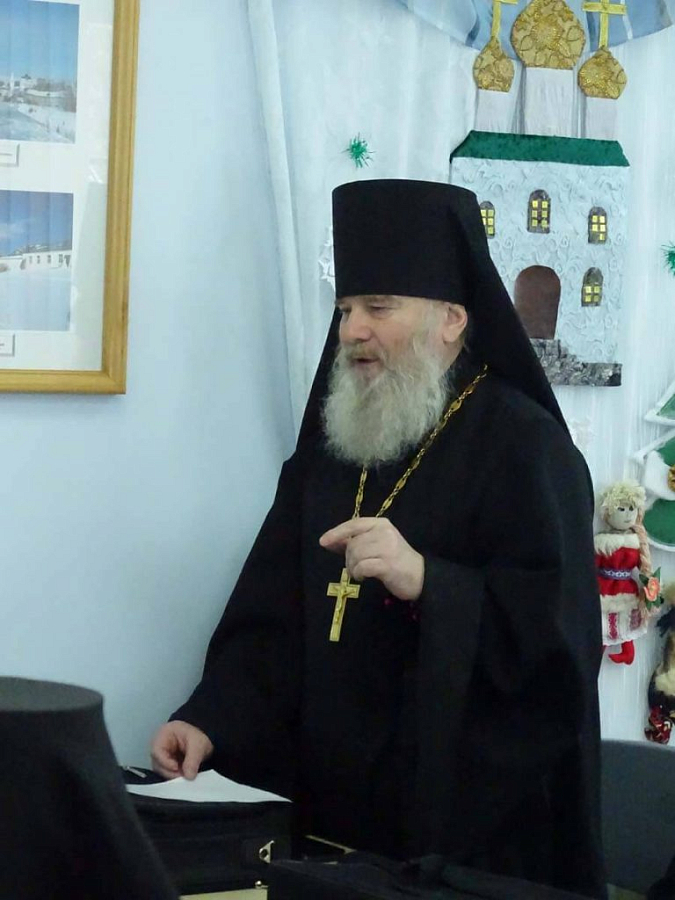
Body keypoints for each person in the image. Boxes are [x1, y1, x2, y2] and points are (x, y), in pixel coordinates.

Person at [151, 180, 606, 898]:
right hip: (323, 824)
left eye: (377, 307)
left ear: (452, 319)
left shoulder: (527, 449)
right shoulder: (335, 445)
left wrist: (430, 582)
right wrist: (211, 718)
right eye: (344, 310)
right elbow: (274, 618)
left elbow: (557, 651)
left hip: (458, 842)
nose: (351, 331)